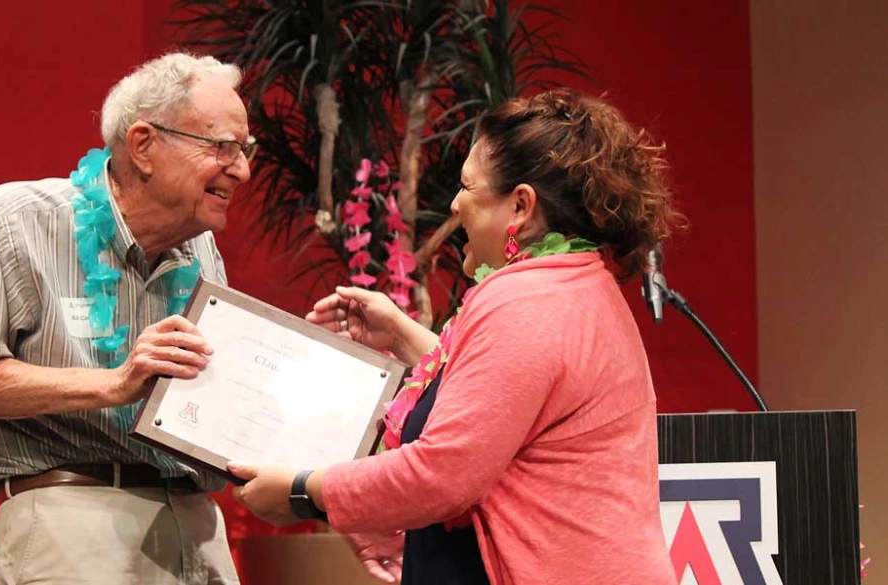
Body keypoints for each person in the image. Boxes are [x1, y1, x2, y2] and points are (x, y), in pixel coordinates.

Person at [228, 89, 682, 585]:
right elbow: (503, 401)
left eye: (468, 187)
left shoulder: (526, 301)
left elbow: (441, 473)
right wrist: (402, 335)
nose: (454, 203)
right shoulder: (572, 282)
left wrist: (303, 492)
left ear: (520, 207)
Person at [0, 52, 255, 585]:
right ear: (143, 145)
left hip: (198, 529)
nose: (242, 168)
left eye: (246, 149)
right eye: (223, 147)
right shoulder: (12, 220)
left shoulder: (202, 251)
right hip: (71, 519)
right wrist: (115, 383)